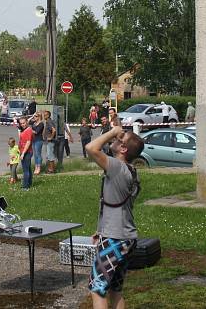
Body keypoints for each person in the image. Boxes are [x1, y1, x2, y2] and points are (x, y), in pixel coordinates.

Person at [85, 125, 144, 308]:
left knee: (97, 288)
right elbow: (115, 206)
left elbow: (90, 148)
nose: (115, 140)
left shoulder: (117, 167)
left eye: (119, 140)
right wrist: (100, 230)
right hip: (125, 237)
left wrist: (112, 131)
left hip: (114, 238)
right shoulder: (131, 171)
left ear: (123, 149)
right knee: (115, 289)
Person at [17, 117, 34, 190]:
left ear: (27, 122)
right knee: (28, 168)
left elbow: (28, 142)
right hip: (22, 151)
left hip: (27, 152)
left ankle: (25, 186)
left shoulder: (29, 130)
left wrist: (23, 153)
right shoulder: (23, 130)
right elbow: (20, 139)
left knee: (25, 170)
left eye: (24, 123)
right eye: (21, 123)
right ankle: (29, 183)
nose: (22, 124)